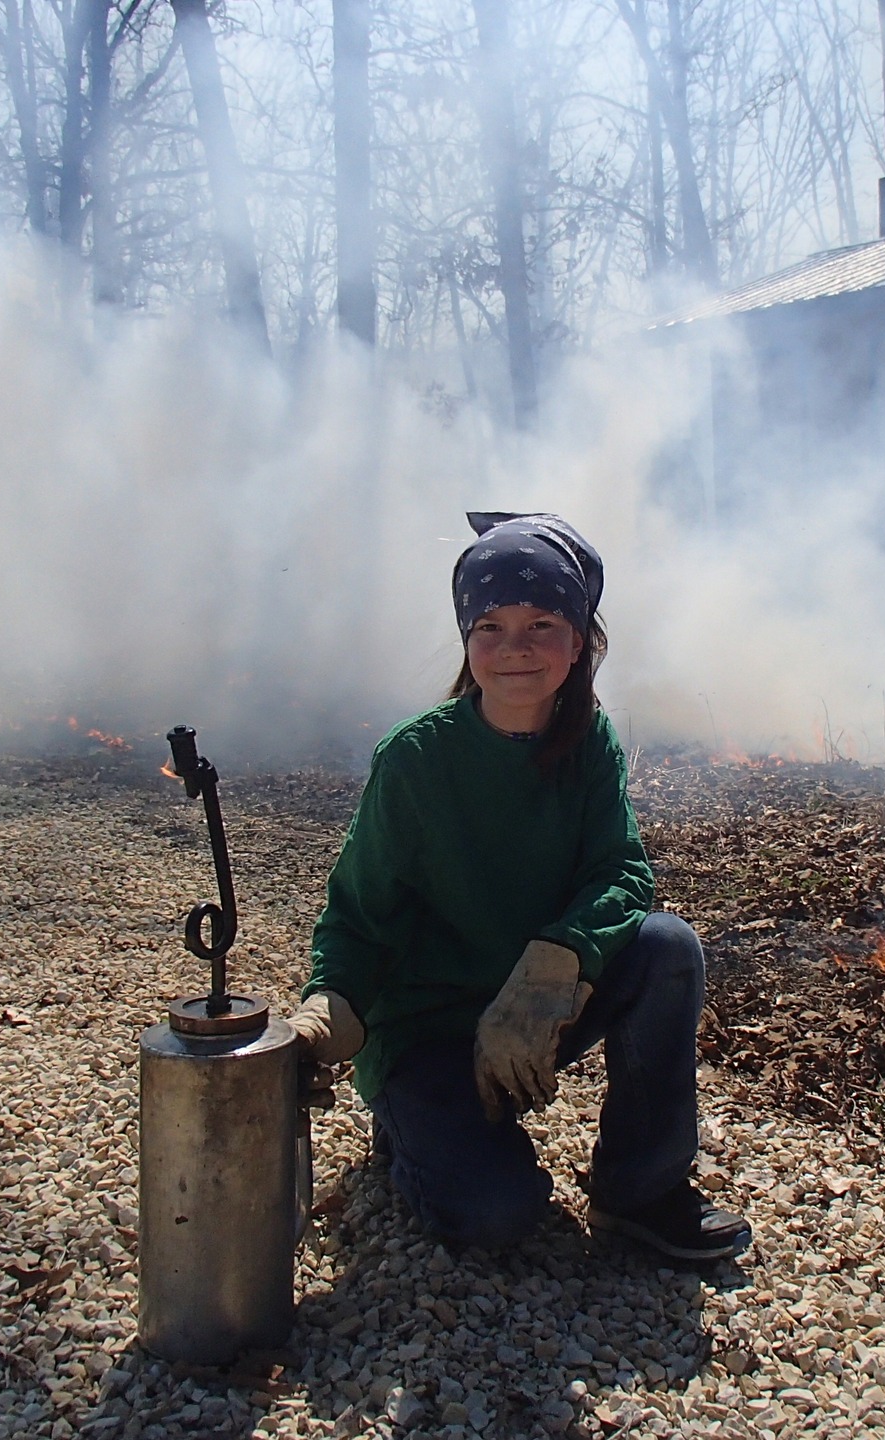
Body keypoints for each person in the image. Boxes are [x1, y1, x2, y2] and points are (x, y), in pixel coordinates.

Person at [288, 512, 750, 1261]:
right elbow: (358, 920)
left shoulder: (589, 740)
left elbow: (621, 872)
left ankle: (643, 1191)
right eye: (491, 627)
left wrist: (555, 963)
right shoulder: (415, 760)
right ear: (468, 645)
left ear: (581, 642)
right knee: (498, 1218)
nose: (516, 649)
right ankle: (409, 1123)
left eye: (542, 624)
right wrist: (324, 1014)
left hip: (537, 1014)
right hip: (430, 1033)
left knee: (668, 946)